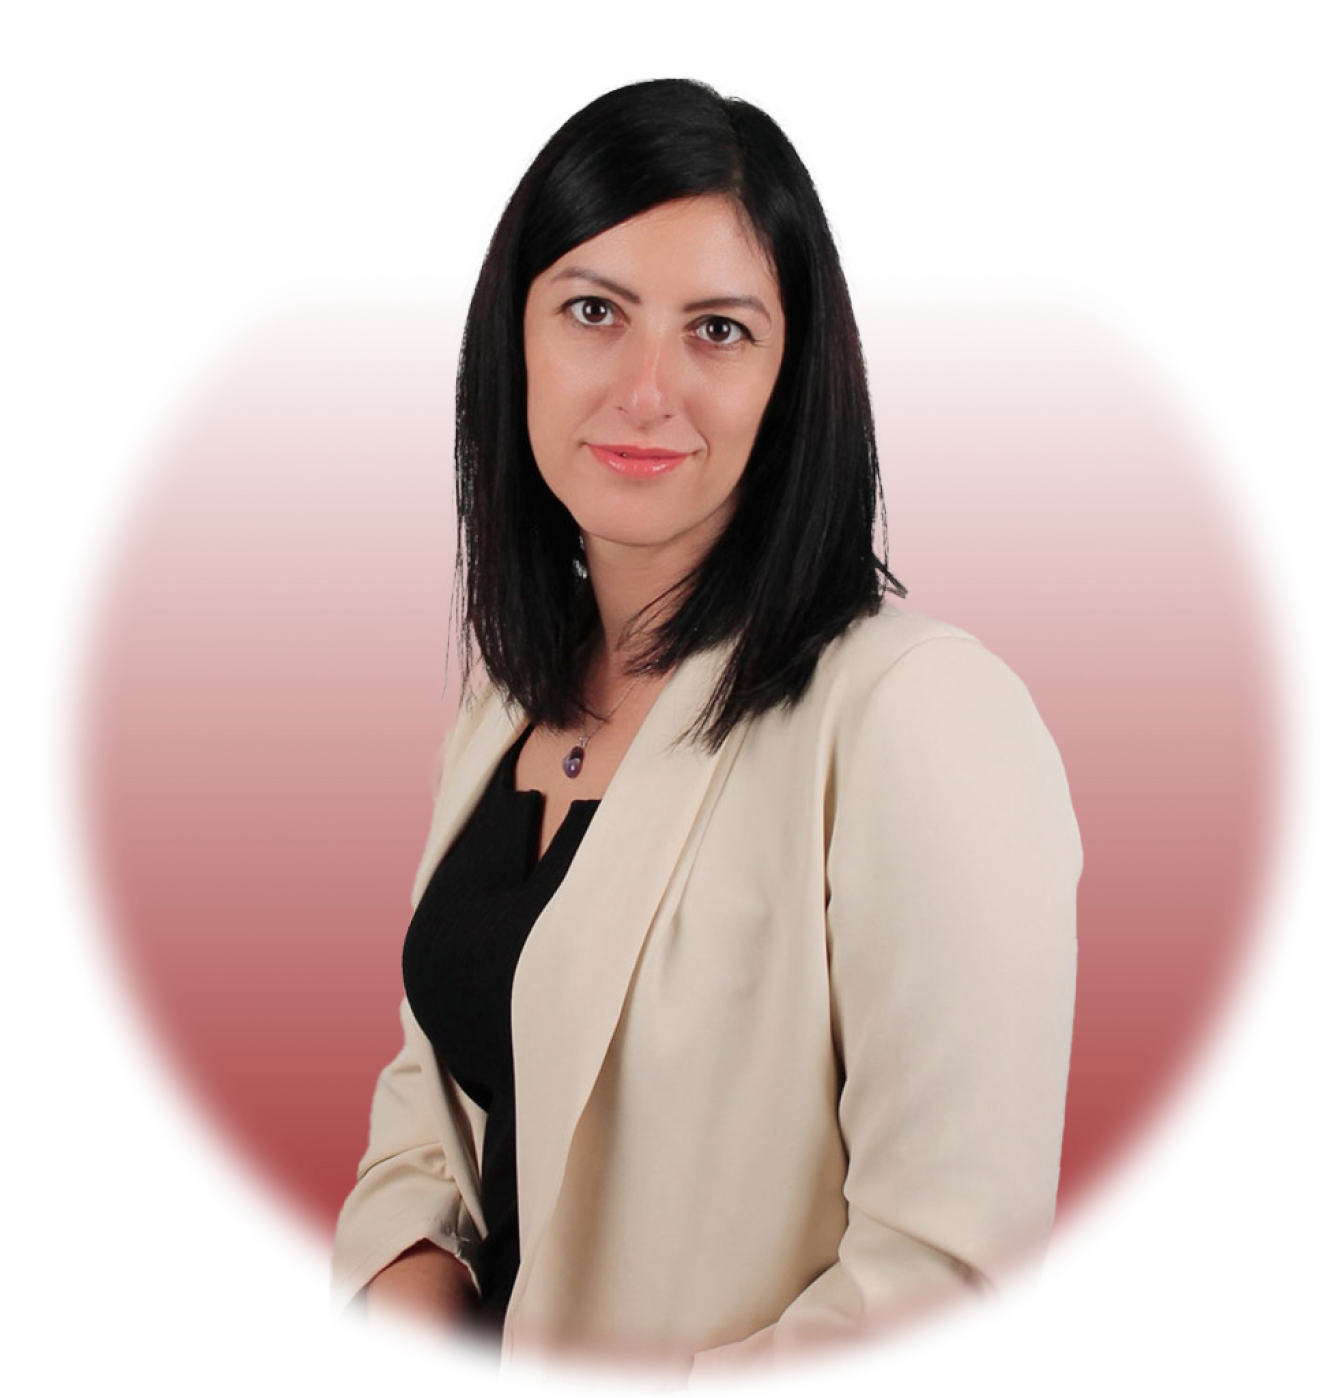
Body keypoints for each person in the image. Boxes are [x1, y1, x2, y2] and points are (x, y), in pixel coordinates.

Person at [328, 69, 1082, 1396]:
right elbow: (437, 1124)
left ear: (794, 379)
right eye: (594, 311)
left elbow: (951, 1279)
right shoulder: (500, 712)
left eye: (719, 330)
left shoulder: (914, 715)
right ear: (515, 341)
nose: (646, 390)